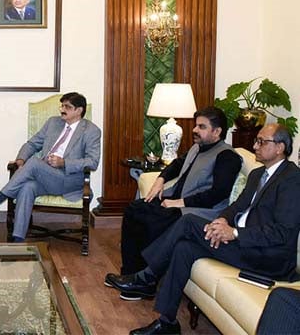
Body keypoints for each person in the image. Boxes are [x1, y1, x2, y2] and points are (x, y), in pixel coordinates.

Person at [105, 123, 300, 335]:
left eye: (262, 142)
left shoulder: (292, 179)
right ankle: (167, 322)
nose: (255, 146)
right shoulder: (258, 174)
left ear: (280, 147)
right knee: (184, 248)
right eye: (257, 140)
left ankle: (147, 277)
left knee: (189, 222)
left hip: (267, 257)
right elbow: (237, 206)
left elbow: (283, 232)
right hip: (241, 243)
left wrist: (234, 233)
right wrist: (222, 221)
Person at [110, 106, 242, 300]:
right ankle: (130, 273)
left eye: (201, 127)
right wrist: (160, 179)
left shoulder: (227, 156)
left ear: (217, 131)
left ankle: (146, 282)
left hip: (199, 211)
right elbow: (177, 164)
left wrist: (179, 202)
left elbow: (218, 193)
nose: (195, 130)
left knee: (153, 220)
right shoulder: (197, 147)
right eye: (196, 126)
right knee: (134, 210)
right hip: (176, 201)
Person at [0, 92, 101, 242]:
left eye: (67, 107)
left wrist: (64, 163)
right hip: (46, 176)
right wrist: (21, 160)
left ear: (79, 110)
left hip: (69, 181)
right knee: (27, 187)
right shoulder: (53, 123)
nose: (62, 109)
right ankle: (17, 240)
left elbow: (92, 162)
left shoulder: (91, 131)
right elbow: (32, 144)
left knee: (34, 162)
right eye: (62, 105)